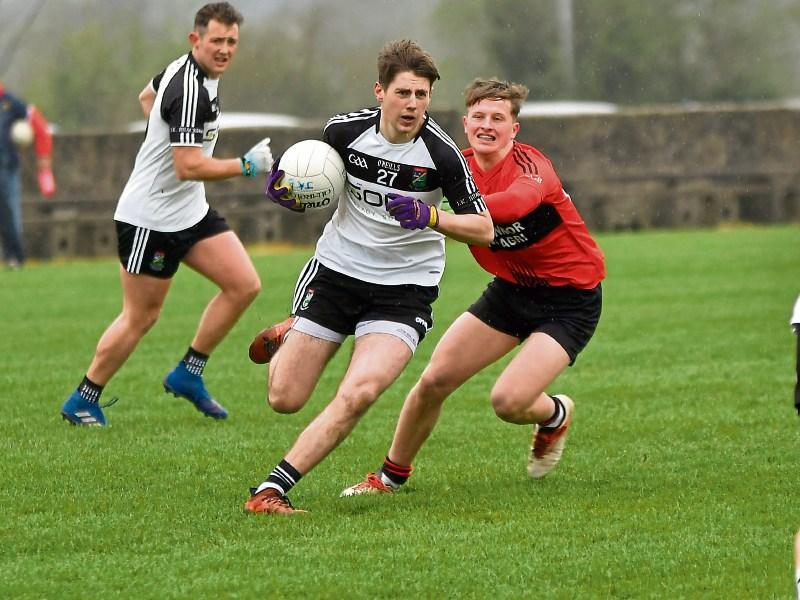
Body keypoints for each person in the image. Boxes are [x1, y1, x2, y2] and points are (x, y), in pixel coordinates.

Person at [243, 40, 494, 514]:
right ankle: (292, 331)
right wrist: (288, 191)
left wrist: (431, 217)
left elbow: (485, 229)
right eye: (405, 93)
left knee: (358, 393)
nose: (414, 105)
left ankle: (270, 491)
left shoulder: (440, 154)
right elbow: (312, 182)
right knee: (284, 398)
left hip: (402, 292)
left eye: (423, 95)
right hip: (336, 274)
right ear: (380, 91)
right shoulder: (344, 132)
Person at [338, 78, 606, 497]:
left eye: (498, 118)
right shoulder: (453, 167)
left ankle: (553, 415)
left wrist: (436, 213)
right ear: (465, 123)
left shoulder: (532, 167)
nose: (487, 125)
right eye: (478, 117)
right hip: (510, 291)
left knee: (508, 401)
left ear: (514, 129)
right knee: (433, 381)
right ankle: (389, 478)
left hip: (570, 299)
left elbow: (514, 205)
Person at [60, 2, 273, 426]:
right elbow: (188, 166)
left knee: (244, 284)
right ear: (196, 40)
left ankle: (188, 373)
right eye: (217, 41)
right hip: (150, 218)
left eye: (232, 42)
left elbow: (147, 97)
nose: (225, 49)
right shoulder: (190, 89)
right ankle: (83, 398)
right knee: (141, 316)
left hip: (189, 211)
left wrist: (161, 132)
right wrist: (245, 166)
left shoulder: (194, 74)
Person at [0, 82, 55, 269]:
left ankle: (16, 256)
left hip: (6, 166)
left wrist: (44, 155)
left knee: (8, 212)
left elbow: (39, 125)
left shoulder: (10, 102)